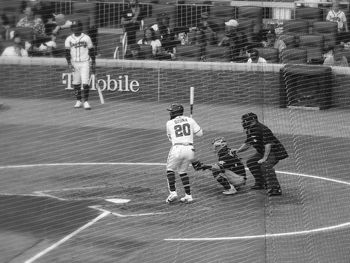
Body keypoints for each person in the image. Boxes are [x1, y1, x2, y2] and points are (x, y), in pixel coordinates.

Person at [232, 112, 288, 196]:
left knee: (265, 165)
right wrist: (237, 150)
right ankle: (261, 183)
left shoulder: (262, 129)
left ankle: (275, 188)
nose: (243, 123)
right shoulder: (250, 129)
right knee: (251, 162)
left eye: (245, 121)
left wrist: (265, 158)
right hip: (263, 152)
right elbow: (248, 143)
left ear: (253, 120)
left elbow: (268, 144)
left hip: (274, 152)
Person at [165, 103, 203, 204]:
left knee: (170, 170)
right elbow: (200, 133)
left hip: (177, 148)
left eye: (171, 111)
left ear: (174, 112)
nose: (170, 113)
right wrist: (191, 125)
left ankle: (173, 193)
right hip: (190, 149)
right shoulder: (190, 120)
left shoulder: (169, 123)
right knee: (182, 172)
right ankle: (188, 196)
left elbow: (170, 138)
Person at [65, 20, 95, 110]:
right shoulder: (69, 39)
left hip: (85, 62)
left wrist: (93, 63)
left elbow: (92, 51)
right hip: (74, 63)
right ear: (72, 28)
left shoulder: (86, 38)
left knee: (85, 82)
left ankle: (85, 101)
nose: (75, 28)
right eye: (74, 27)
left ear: (80, 27)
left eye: (77, 27)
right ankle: (78, 100)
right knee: (76, 82)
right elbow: (67, 53)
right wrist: (69, 64)